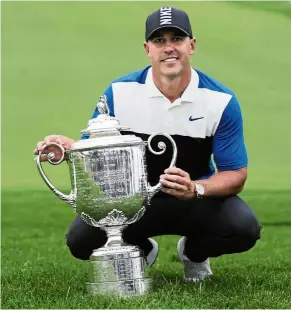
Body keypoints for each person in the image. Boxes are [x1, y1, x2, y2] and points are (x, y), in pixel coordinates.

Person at [34, 6, 261, 282]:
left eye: (177, 39)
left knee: (243, 228)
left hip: (194, 200)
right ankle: (140, 250)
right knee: (80, 240)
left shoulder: (220, 100)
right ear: (147, 49)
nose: (169, 48)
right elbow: (93, 150)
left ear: (192, 45)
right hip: (133, 202)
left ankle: (194, 252)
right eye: (159, 40)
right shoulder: (120, 92)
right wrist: (69, 148)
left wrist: (196, 188)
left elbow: (236, 174)